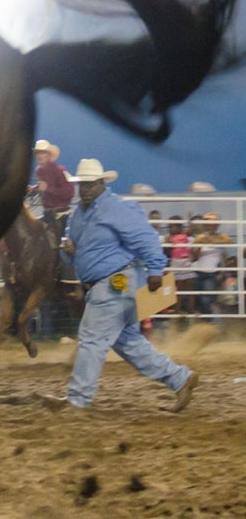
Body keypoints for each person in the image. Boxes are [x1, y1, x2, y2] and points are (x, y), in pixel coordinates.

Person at [38, 158, 199, 413]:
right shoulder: (79, 214)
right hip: (108, 282)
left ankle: (78, 400)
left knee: (92, 338)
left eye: (90, 184)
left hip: (115, 281)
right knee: (129, 343)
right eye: (82, 184)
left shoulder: (117, 208)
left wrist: (156, 269)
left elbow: (144, 237)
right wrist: (70, 251)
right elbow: (75, 251)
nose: (86, 189)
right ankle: (181, 378)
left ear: (102, 183)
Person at [29, 140, 73, 238]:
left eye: (42, 152)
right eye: (38, 153)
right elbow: (43, 186)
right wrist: (33, 189)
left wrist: (48, 188)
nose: (39, 155)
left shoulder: (60, 170)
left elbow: (69, 193)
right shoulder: (39, 170)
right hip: (48, 214)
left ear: (49, 155)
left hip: (61, 216)